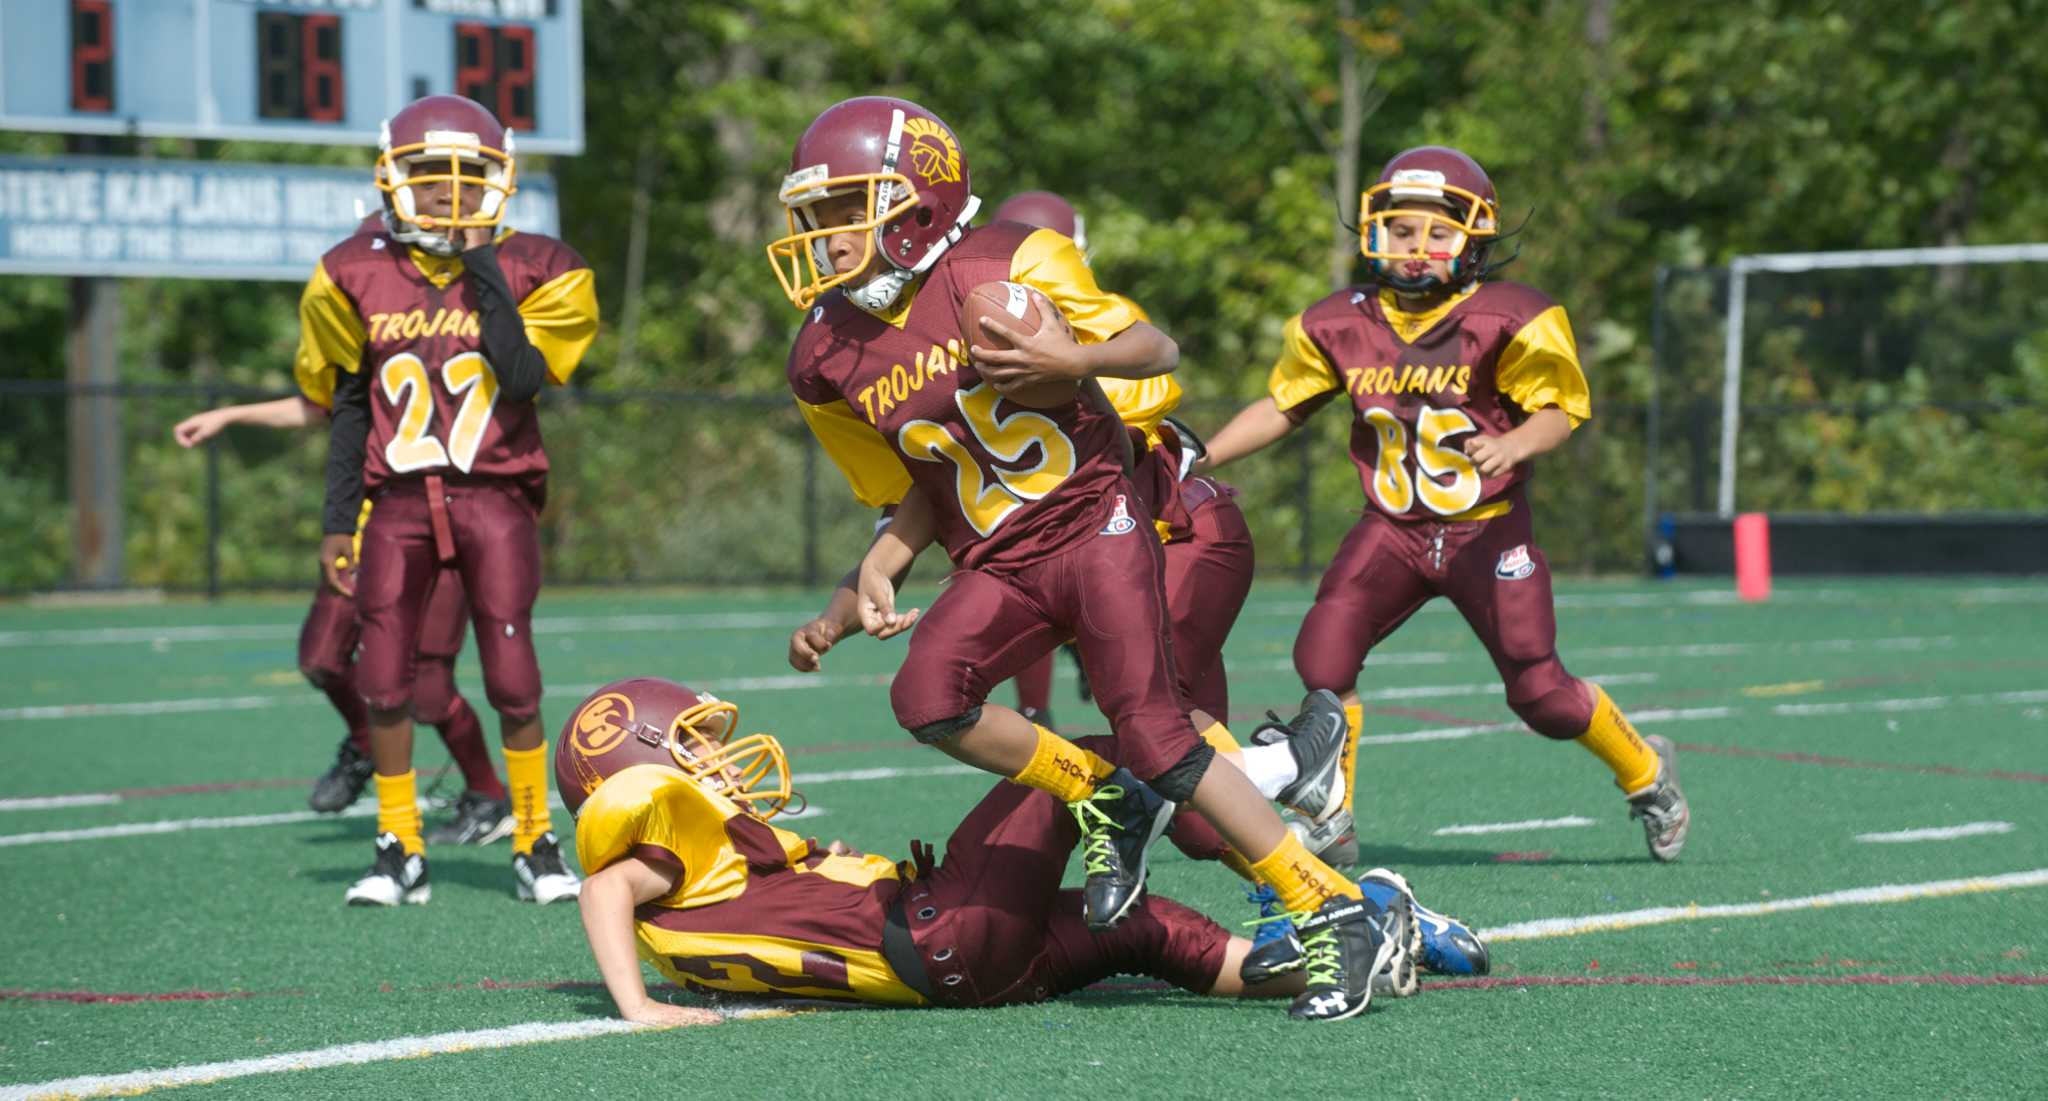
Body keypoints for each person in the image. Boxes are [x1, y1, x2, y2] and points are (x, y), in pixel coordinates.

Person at [771, 95, 1389, 1021]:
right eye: (812, 216)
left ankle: (1331, 907)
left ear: (918, 200)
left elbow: (1157, 346)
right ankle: (1101, 796)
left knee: (1160, 736)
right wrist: (877, 569)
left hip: (1094, 520)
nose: (823, 236)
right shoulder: (824, 355)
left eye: (842, 208)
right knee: (927, 696)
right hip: (997, 555)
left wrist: (1075, 360)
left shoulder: (1006, 261)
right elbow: (925, 482)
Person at [1201, 146, 1691, 864]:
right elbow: (1284, 405)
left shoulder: (1510, 314)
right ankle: (1332, 812)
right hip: (1393, 529)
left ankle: (1648, 773)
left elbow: (1560, 408)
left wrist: (1516, 444)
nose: (1417, 249)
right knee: (1324, 658)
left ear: (1473, 238)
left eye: (1436, 233)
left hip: (1485, 531)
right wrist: (1202, 454)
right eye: (1402, 232)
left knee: (1541, 691)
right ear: (1375, 234)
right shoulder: (1340, 321)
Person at [559, 677, 1438, 1024]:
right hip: (944, 932)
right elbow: (604, 888)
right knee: (1083, 759)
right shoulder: (663, 865)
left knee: (1154, 930)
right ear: (640, 778)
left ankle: (1340, 950)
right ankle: (1289, 767)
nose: (714, 757)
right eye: (691, 749)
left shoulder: (705, 892)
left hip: (971, 973)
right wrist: (636, 1006)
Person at [293, 94, 598, 906]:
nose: (449, 195)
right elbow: (351, 406)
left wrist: (482, 265)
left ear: (499, 183)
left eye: (468, 180)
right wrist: (335, 521)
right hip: (394, 499)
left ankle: (535, 837)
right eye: (430, 177)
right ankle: (399, 846)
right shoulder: (350, 271)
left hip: (494, 491)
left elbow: (526, 376)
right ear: (393, 181)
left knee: (512, 671)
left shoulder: (542, 265)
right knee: (385, 675)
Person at [172, 392, 512, 843]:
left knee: (430, 693)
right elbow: (321, 403)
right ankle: (367, 742)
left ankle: (489, 796)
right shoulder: (365, 336)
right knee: (321, 657)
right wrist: (227, 413)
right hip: (364, 534)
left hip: (441, 531)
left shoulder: (454, 340)